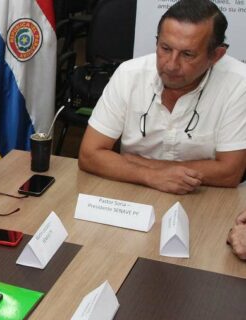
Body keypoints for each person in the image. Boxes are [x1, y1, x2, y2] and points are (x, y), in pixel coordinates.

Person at [78, 0, 246, 195]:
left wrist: (132, 162)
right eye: (165, 48)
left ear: (216, 55)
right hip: (133, 189)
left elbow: (229, 173)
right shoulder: (129, 74)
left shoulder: (239, 84)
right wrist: (152, 176)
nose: (171, 65)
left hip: (205, 196)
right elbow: (89, 155)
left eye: (188, 54)